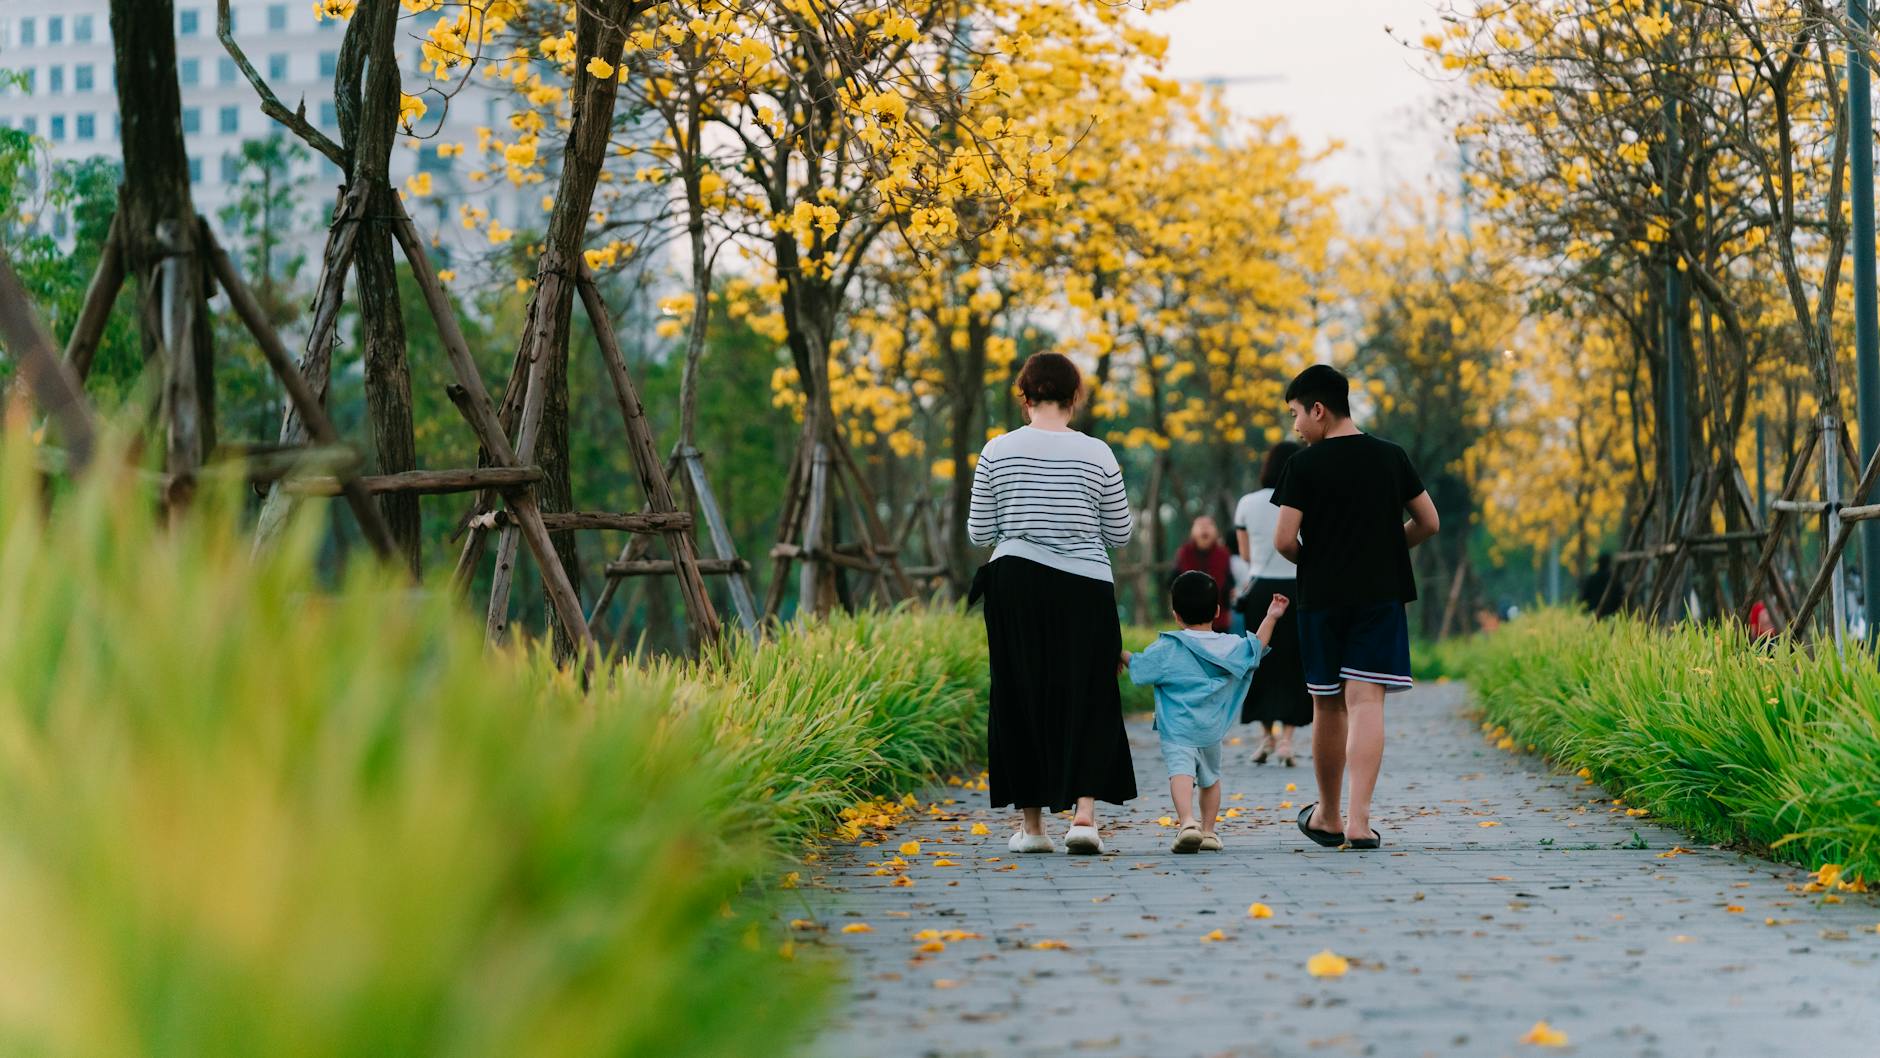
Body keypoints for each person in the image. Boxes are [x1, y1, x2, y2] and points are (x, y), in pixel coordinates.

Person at [967, 352, 1136, 856]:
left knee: (1022, 693)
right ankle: (1084, 817)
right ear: (1074, 398)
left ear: (1024, 397)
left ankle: (1034, 827)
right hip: (1085, 585)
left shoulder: (996, 451)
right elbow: (1120, 533)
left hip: (1016, 582)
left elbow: (979, 531)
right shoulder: (1099, 454)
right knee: (1088, 692)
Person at [1272, 364, 1439, 851]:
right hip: (1380, 594)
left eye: (1296, 414)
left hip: (1322, 598)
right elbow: (1427, 522)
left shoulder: (1303, 465)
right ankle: (1361, 821)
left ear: (1319, 409)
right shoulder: (1391, 457)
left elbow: (1285, 539)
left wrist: (1319, 561)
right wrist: (1388, 547)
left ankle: (1327, 815)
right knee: (1366, 702)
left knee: (1327, 703)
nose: (1295, 427)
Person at [1123, 572, 1289, 854]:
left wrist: (1119, 652)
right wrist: (1271, 616)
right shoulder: (1228, 646)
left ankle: (1188, 822)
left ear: (1175, 615)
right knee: (1211, 778)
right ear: (1216, 611)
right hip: (1212, 729)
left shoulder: (1168, 647)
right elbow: (1256, 647)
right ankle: (1210, 831)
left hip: (1177, 730)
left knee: (1181, 773)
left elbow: (1140, 667)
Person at [1234, 441, 1312, 766]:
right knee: (1296, 664)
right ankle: (1288, 742)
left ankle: (1267, 737)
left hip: (1261, 592)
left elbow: (1247, 555)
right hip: (1299, 587)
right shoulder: (1305, 500)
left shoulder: (1247, 503)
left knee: (1259, 662)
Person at [1173, 515, 1233, 632]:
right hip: (1188, 619)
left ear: (1216, 531)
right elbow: (1173, 582)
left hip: (1218, 619)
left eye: (1209, 525)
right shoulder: (1184, 553)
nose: (1204, 528)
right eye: (1200, 525)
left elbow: (1229, 584)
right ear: (1192, 531)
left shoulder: (1224, 554)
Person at [1579, 552, 1622, 618]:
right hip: (1610, 613)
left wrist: (1584, 611)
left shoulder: (1591, 578)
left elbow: (1584, 596)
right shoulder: (1614, 578)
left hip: (1593, 612)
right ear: (1609, 563)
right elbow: (1620, 596)